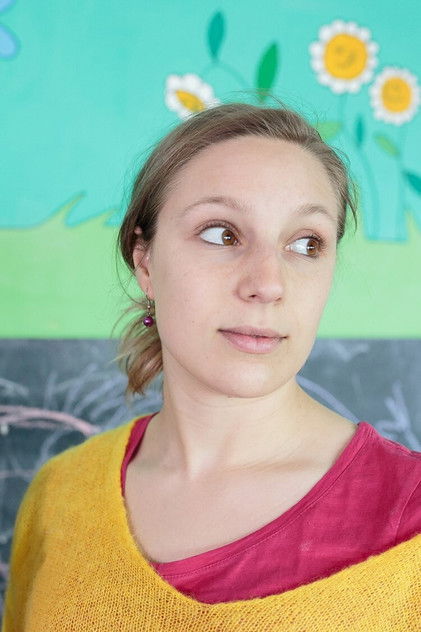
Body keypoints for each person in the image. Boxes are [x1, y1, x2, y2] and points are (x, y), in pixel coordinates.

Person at [2, 99, 420, 631]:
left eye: (305, 243)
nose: (268, 283)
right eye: (221, 233)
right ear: (145, 261)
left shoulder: (409, 514)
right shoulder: (58, 494)